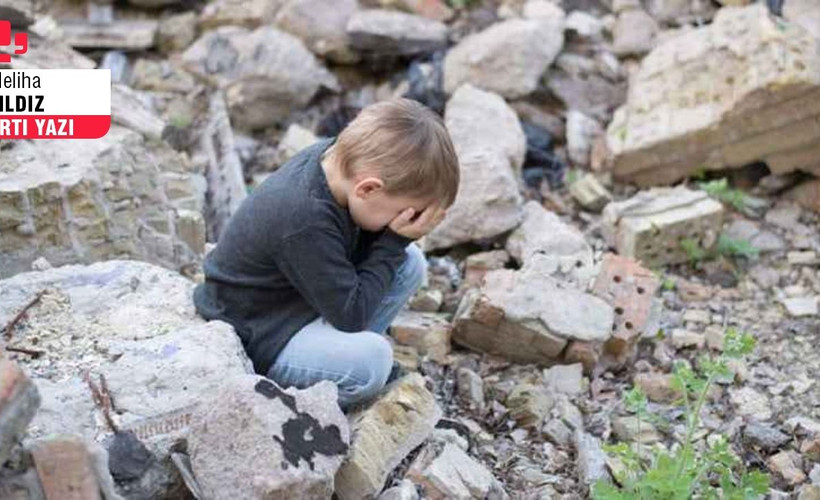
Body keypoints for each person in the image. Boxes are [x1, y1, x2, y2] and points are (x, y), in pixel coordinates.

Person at [192, 98, 460, 411]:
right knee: (373, 361)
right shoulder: (303, 217)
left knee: (409, 262)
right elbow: (351, 316)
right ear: (368, 189)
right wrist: (393, 240)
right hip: (257, 334)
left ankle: (334, 355)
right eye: (403, 213)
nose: (405, 223)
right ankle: (294, 406)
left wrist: (395, 239)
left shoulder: (338, 162)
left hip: (295, 303)